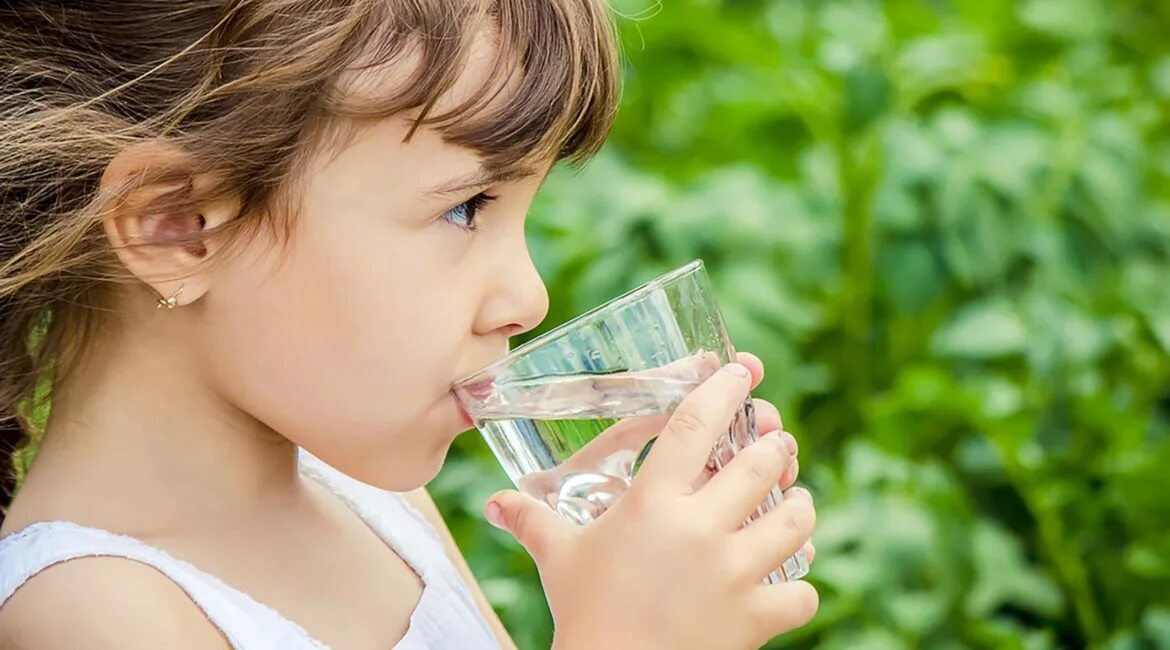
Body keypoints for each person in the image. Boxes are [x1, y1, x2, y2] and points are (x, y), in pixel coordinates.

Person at [0, 1, 818, 648]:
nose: (528, 299)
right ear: (178, 225)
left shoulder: (373, 507)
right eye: (466, 208)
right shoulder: (92, 614)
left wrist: (625, 596)